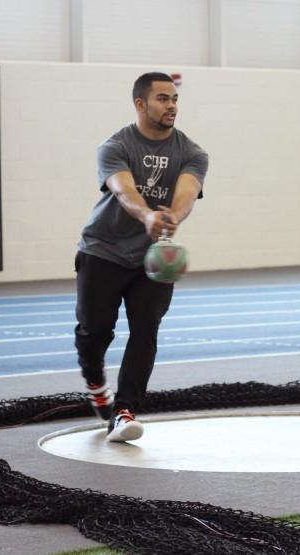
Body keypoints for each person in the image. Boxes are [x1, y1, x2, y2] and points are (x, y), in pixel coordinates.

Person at [74, 72, 208, 442]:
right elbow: (123, 189)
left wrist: (172, 218)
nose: (172, 106)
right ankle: (95, 379)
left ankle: (125, 411)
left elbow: (187, 190)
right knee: (94, 330)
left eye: (175, 99)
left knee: (145, 330)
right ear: (140, 103)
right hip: (102, 251)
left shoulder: (192, 153)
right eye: (163, 99)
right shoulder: (114, 146)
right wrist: (146, 214)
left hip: (152, 259)